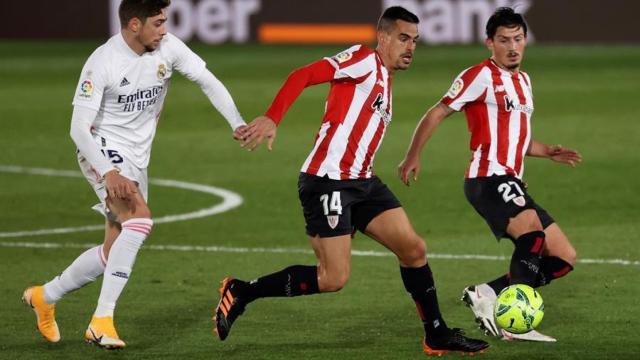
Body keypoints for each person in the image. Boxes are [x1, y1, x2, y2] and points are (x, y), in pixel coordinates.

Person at [212, 6, 489, 356]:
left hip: (363, 182)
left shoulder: (386, 80)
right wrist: (272, 116)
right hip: (328, 182)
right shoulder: (362, 59)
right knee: (333, 278)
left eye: (415, 41)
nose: (410, 48)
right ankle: (241, 291)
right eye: (403, 38)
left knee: (414, 250)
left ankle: (436, 334)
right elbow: (303, 75)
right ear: (383, 37)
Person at [22, 0, 247, 349]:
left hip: (137, 159)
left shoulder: (168, 48)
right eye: (157, 23)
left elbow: (207, 80)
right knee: (140, 220)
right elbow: (78, 129)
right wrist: (108, 171)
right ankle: (101, 321)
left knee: (114, 249)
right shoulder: (103, 62)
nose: (165, 29)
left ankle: (45, 296)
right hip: (101, 151)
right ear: (134, 25)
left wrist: (237, 123)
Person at [398, 7, 581, 342]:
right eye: (503, 40)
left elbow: (517, 138)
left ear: (525, 40)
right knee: (532, 236)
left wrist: (547, 151)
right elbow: (439, 111)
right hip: (488, 178)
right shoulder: (479, 76)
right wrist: (413, 154)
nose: (512, 46)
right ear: (489, 43)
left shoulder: (524, 82)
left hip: (509, 178)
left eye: (518, 38)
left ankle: (487, 292)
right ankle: (514, 322)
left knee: (564, 257)